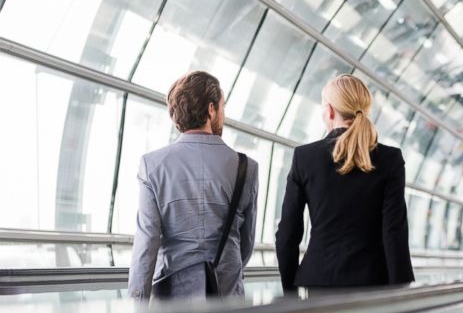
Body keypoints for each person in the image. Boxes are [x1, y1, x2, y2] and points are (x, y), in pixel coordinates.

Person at [276, 74, 414, 291]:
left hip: (320, 281)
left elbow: (287, 233)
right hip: (373, 283)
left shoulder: (305, 157)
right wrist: (401, 290)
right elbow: (394, 231)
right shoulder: (390, 159)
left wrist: (290, 292)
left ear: (329, 110)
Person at [127, 71, 259, 298]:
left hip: (173, 298)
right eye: (222, 107)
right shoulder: (245, 167)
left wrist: (136, 308)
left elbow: (146, 243)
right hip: (227, 294)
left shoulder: (152, 165)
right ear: (211, 109)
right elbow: (246, 243)